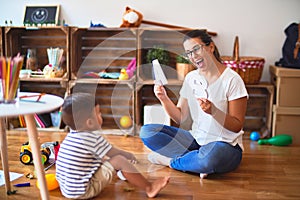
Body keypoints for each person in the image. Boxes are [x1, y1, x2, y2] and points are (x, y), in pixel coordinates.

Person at [140, 29, 248, 179]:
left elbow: (237, 126)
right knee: (147, 132)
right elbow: (180, 117)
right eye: (188, 53)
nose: (193, 56)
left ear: (211, 47)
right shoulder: (191, 78)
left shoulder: (232, 80)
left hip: (225, 145)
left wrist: (214, 112)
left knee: (211, 157)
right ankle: (196, 163)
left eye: (196, 49)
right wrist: (163, 98)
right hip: (196, 140)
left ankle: (172, 162)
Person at [56, 93, 169, 199]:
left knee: (105, 158)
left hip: (67, 190)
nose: (101, 115)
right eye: (98, 113)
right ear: (89, 122)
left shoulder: (72, 136)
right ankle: (149, 188)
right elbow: (114, 153)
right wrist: (128, 155)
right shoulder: (93, 139)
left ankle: (126, 174)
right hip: (84, 190)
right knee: (119, 160)